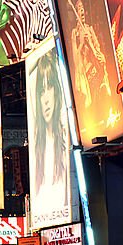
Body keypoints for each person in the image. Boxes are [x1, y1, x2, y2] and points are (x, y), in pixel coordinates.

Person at [28, 52, 71, 222]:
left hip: (63, 215)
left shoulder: (65, 138)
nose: (45, 99)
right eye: (41, 91)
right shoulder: (37, 147)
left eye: (50, 87)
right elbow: (30, 73)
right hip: (46, 218)